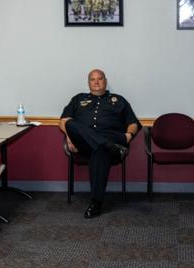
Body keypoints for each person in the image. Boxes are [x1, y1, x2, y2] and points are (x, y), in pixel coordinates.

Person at [59, 69, 140, 218]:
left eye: (100, 78)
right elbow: (63, 121)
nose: (96, 82)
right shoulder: (78, 99)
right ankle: (108, 145)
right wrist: (69, 137)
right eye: (92, 79)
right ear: (88, 82)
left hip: (110, 139)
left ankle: (96, 203)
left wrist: (128, 136)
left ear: (105, 81)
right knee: (71, 124)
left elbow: (133, 123)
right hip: (84, 144)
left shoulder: (119, 100)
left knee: (100, 151)